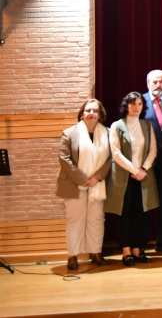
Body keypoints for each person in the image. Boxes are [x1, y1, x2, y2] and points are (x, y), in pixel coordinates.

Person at [57, 99, 112, 270]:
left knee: (96, 219)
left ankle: (95, 253)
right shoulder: (69, 133)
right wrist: (83, 179)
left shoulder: (109, 133)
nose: (91, 114)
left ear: (100, 115)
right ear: (82, 113)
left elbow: (111, 158)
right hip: (74, 184)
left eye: (95, 111)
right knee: (75, 220)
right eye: (88, 110)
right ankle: (72, 256)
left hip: (98, 184)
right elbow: (64, 159)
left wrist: (97, 177)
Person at [106, 91, 158, 266]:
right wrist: (133, 170)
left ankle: (138, 249)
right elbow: (116, 152)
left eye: (140, 104)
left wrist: (143, 168)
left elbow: (153, 150)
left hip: (144, 176)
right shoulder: (117, 125)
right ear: (126, 105)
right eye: (133, 103)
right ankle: (126, 251)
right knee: (125, 214)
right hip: (124, 177)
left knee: (141, 214)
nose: (136, 107)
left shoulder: (146, 124)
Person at [142, 69, 162, 249]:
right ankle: (141, 243)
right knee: (145, 202)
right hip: (145, 162)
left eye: (161, 82)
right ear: (148, 83)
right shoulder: (139, 102)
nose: (157, 85)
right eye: (154, 82)